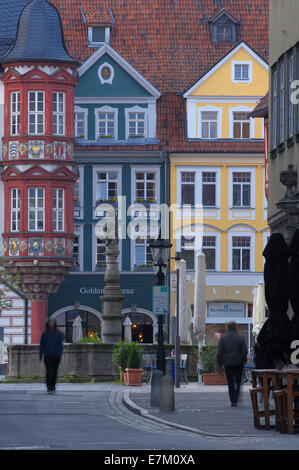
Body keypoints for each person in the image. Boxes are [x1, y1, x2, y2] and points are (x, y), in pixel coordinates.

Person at [216, 322, 248, 407]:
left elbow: (219, 352)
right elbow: (244, 351)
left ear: (228, 328)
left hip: (228, 363)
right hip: (239, 362)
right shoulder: (240, 338)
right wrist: (244, 360)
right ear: (235, 327)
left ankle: (233, 400)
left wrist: (219, 364)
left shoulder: (223, 338)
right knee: (238, 381)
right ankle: (237, 397)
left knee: (230, 382)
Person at [39, 319, 64, 394]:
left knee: (55, 371)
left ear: (55, 324)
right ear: (48, 324)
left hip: (56, 356)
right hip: (47, 355)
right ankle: (49, 387)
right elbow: (42, 345)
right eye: (50, 323)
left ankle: (53, 386)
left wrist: (59, 353)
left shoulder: (59, 333)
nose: (51, 324)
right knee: (49, 371)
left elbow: (60, 345)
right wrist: (40, 355)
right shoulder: (45, 334)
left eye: (52, 323)